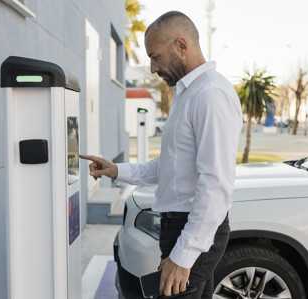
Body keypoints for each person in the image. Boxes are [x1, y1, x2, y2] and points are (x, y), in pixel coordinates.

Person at [80, 11, 242, 298]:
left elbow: (215, 184)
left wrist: (183, 255)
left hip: (190, 227)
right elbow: (171, 166)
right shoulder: (187, 94)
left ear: (182, 45)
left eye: (156, 57)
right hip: (179, 226)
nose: (153, 68)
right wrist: (117, 171)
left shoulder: (210, 95)